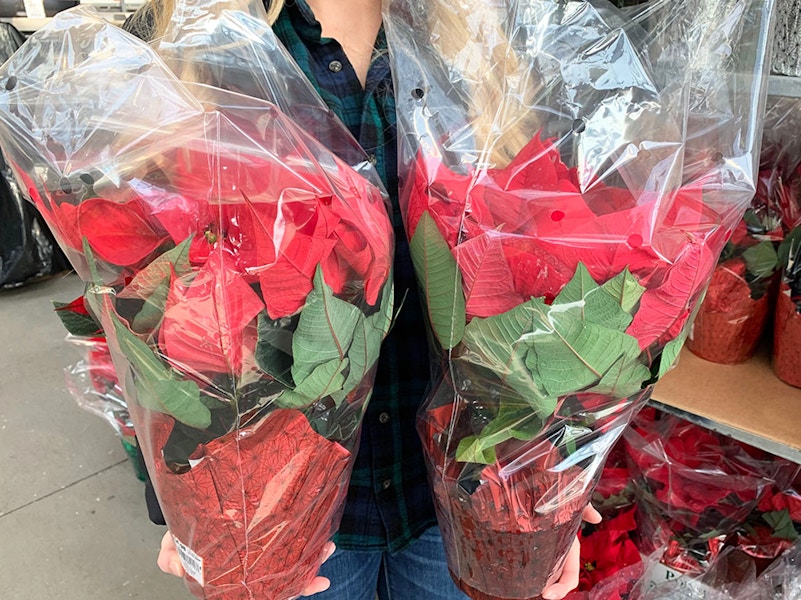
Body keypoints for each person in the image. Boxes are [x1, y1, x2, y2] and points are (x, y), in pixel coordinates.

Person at [125, 0, 602, 598]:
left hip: (462, 501)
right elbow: (131, 300)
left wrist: (553, 477)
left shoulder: (487, 48)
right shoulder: (189, 49)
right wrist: (174, 491)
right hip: (280, 515)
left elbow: (551, 276)